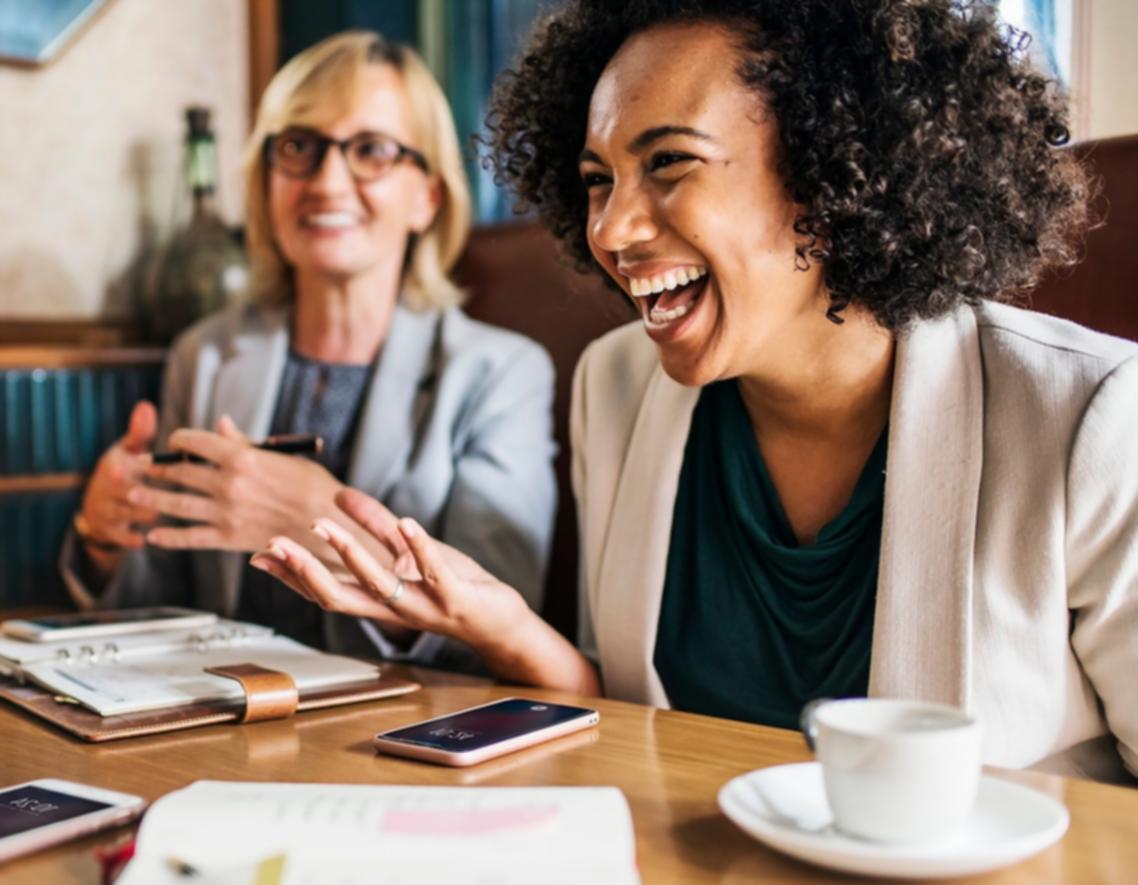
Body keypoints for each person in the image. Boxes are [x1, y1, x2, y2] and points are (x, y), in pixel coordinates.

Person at [256, 1, 1138, 782]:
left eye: (669, 162)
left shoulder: (1091, 419)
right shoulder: (615, 386)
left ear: (835, 170)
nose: (612, 228)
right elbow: (639, 723)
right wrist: (507, 626)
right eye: (597, 180)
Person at [61, 31, 557, 670]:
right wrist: (103, 537)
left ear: (427, 197)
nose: (326, 181)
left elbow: (498, 629)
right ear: (267, 180)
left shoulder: (501, 374)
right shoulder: (204, 356)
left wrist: (318, 522)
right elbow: (160, 606)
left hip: (407, 721)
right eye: (298, 147)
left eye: (371, 150)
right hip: (224, 708)